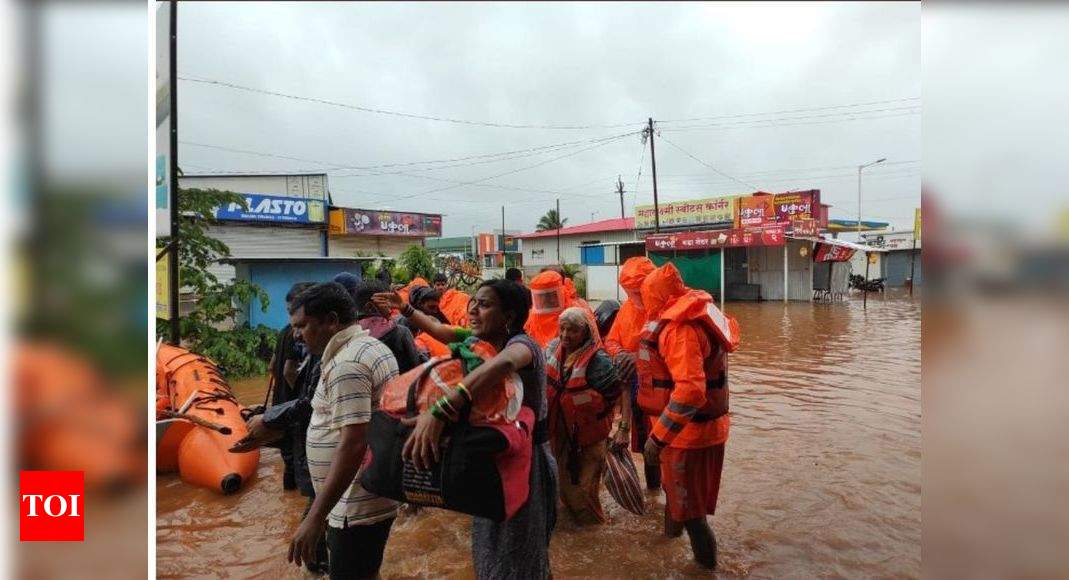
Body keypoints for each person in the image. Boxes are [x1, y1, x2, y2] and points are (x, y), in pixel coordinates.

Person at [373, 280, 557, 579]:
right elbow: (441, 332)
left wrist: (442, 409)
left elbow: (504, 364)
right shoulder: (477, 343)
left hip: (526, 464)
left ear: (508, 317)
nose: (472, 308)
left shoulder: (524, 346)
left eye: (484, 304)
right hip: (491, 460)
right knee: (489, 547)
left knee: (521, 553)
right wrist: (404, 308)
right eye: (473, 301)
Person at [638, 263, 737, 570]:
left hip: (689, 437)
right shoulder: (695, 313)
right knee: (676, 498)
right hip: (702, 429)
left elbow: (691, 391)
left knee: (694, 517)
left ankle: (705, 571)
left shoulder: (679, 329)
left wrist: (658, 438)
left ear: (654, 297)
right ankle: (667, 547)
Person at [545, 307, 621, 525]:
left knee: (584, 495)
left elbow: (617, 392)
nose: (565, 335)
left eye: (573, 331)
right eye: (562, 329)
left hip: (588, 440)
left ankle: (593, 533)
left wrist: (622, 429)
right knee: (563, 489)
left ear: (586, 333)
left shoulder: (599, 361)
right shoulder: (552, 349)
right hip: (559, 434)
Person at [602, 257, 659, 489]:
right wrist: (620, 354)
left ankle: (662, 497)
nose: (635, 295)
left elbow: (672, 353)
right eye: (630, 290)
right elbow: (612, 340)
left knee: (664, 447)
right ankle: (654, 494)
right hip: (636, 388)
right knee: (646, 446)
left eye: (638, 290)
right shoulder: (626, 309)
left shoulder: (665, 309)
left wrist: (634, 358)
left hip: (664, 391)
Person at [269, 281, 315, 490]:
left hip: (281, 403)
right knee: (298, 460)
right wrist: (302, 395)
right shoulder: (296, 335)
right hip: (292, 405)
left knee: (289, 458)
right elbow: (289, 371)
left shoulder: (284, 331)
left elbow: (272, 366)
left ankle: (289, 503)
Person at [349, 279, 423, 374]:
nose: (391, 308)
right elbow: (416, 370)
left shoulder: (349, 335)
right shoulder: (401, 333)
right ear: (370, 307)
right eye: (386, 303)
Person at [524, 270, 597, 348]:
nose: (546, 299)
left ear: (559, 291)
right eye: (542, 295)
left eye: (550, 295)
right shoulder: (533, 315)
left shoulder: (575, 310)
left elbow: (593, 339)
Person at [404, 285, 451, 358]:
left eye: (436, 307)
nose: (435, 311)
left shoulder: (437, 315)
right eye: (431, 307)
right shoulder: (406, 321)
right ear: (419, 304)